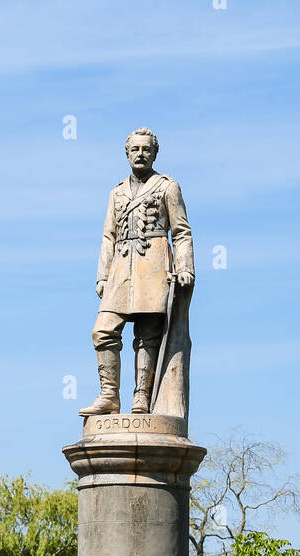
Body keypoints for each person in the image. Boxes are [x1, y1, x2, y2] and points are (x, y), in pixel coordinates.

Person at [79, 127, 194, 417]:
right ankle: (109, 395)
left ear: (155, 153)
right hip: (121, 265)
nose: (140, 154)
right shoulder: (116, 192)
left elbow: (181, 232)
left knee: (147, 335)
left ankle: (141, 396)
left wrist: (185, 267)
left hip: (154, 264)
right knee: (102, 330)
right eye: (135, 149)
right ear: (127, 153)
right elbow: (108, 235)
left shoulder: (168, 187)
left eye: (146, 149)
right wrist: (102, 276)